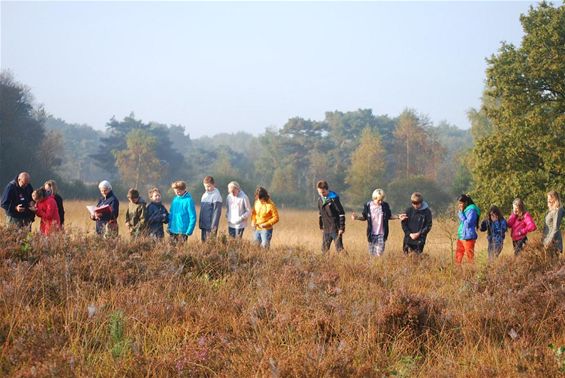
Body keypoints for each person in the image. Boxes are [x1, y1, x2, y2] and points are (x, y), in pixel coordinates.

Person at [351, 189, 400, 257]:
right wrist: (357, 217)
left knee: (379, 253)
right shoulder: (368, 205)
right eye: (378, 200)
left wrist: (399, 217)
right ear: (374, 198)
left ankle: (379, 264)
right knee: (372, 255)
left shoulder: (385, 205)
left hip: (382, 234)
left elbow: (389, 216)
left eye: (382, 200)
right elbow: (364, 217)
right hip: (371, 234)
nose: (380, 202)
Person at [317, 180, 346, 253]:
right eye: (319, 192)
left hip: (335, 228)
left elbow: (341, 213)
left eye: (323, 192)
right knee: (324, 250)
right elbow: (320, 214)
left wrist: (341, 228)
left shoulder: (334, 199)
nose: (321, 194)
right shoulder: (319, 200)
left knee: (339, 249)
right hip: (326, 229)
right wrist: (321, 226)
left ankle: (348, 262)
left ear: (327, 190)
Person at [455, 194, 481, 264]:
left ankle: (471, 272)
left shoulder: (472, 210)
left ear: (466, 202)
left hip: (468, 237)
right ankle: (457, 272)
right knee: (458, 256)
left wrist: (461, 214)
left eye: (461, 203)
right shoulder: (465, 210)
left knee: (470, 257)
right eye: (459, 203)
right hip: (461, 236)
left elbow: (468, 223)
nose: (459, 205)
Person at [199, 176, 222, 241]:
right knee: (203, 244)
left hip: (211, 227)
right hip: (204, 225)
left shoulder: (216, 196)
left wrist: (213, 227)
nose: (207, 188)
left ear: (214, 184)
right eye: (205, 186)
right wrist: (201, 223)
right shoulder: (204, 195)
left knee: (210, 244)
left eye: (209, 186)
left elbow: (216, 213)